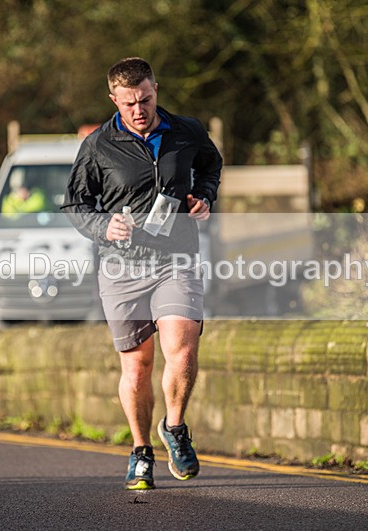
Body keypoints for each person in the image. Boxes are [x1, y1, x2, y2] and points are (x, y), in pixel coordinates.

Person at [62, 57, 221, 490]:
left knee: (183, 351)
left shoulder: (186, 130)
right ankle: (140, 451)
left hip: (176, 259)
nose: (139, 110)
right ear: (114, 99)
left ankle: (174, 427)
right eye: (130, 102)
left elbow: (211, 165)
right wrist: (103, 226)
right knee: (137, 368)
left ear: (156, 90)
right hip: (122, 267)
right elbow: (76, 206)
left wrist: (203, 197)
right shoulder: (97, 146)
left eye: (146, 99)